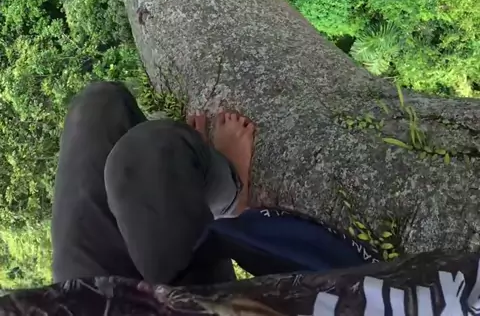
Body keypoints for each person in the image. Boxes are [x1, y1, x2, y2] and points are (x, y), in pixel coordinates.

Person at [0, 81, 478, 315]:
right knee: (154, 154)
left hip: (79, 304)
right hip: (186, 307)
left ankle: (187, 199)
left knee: (99, 106)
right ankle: (230, 201)